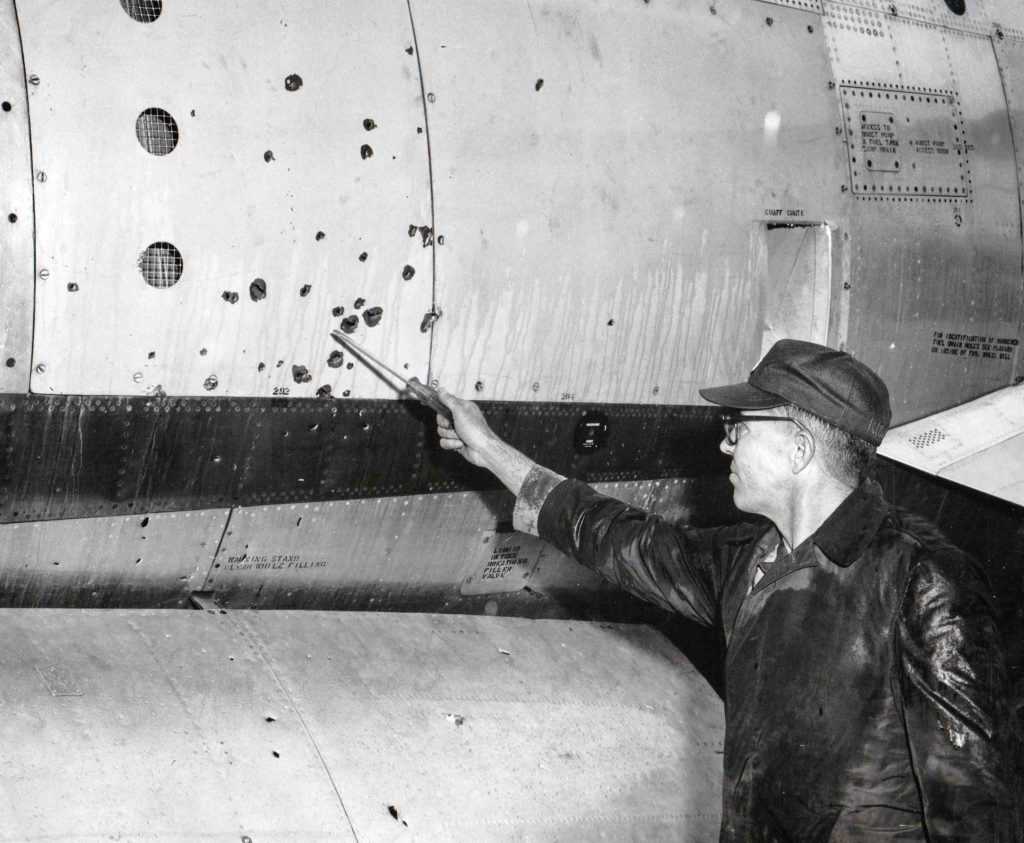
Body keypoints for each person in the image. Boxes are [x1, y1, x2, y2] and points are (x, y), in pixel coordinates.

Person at [434, 339, 1017, 842]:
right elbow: (613, 536)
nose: (726, 445)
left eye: (740, 427)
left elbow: (976, 811)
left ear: (799, 448)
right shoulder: (747, 559)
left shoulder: (924, 581)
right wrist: (488, 449)